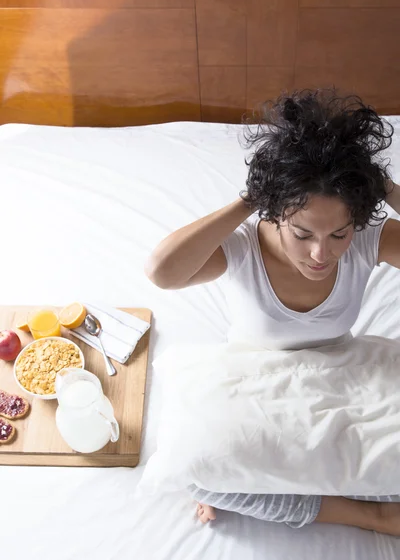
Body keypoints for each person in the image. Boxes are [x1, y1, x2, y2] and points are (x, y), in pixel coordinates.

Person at [145, 88, 400, 536]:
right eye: (303, 234)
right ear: (277, 213)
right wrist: (251, 198)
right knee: (195, 471)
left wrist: (386, 188)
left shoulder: (367, 239)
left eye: (338, 234)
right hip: (256, 382)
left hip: (344, 375)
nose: (322, 254)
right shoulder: (244, 246)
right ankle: (368, 515)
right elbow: (162, 272)